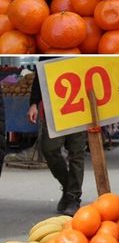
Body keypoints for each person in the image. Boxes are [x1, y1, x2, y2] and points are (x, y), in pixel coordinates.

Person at [27, 65, 87, 216]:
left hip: (80, 104)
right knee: (49, 149)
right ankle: (68, 187)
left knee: (76, 153)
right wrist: (34, 103)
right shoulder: (46, 57)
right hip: (55, 106)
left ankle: (73, 198)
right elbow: (39, 75)